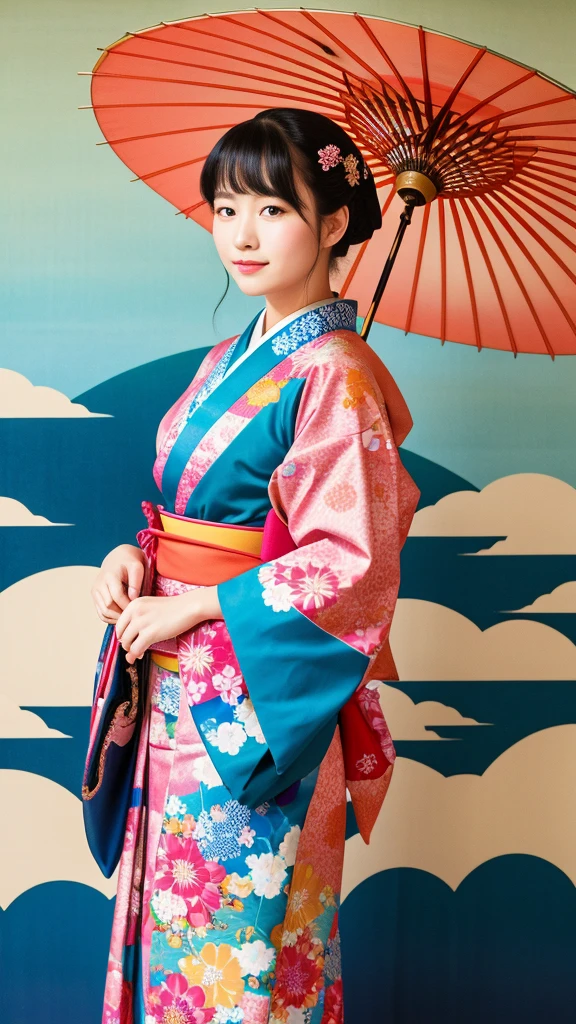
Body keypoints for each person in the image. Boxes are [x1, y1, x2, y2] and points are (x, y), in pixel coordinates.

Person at [88, 108, 420, 1024]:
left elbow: (353, 559)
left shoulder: (337, 371)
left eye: (273, 209)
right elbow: (194, 514)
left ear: (337, 223)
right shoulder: (234, 358)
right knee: (175, 926)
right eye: (226, 208)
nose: (240, 233)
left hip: (255, 700)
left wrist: (195, 610)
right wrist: (135, 555)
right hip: (177, 678)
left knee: (244, 940)